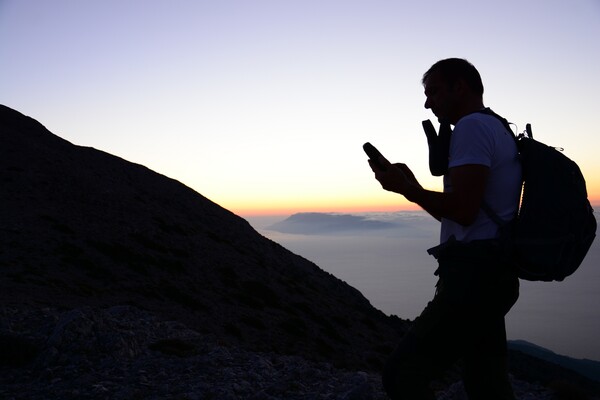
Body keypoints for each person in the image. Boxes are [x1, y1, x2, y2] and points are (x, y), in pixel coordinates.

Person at [369, 58, 522, 400]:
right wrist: (413, 186)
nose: (427, 103)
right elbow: (465, 215)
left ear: (460, 87)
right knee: (486, 381)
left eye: (433, 91)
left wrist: (406, 189)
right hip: (494, 274)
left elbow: (464, 212)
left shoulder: (471, 128)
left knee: (401, 374)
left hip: (474, 280)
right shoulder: (496, 126)